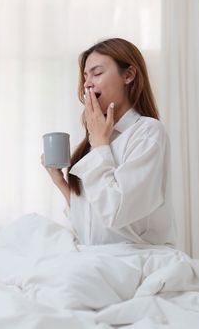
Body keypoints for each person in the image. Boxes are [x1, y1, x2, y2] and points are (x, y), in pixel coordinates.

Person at [41, 38, 176, 246]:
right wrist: (61, 183)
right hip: (98, 256)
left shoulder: (147, 132)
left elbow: (115, 211)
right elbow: (89, 226)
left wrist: (100, 146)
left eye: (97, 73)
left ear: (128, 75)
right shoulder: (98, 139)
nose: (86, 83)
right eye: (85, 76)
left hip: (134, 257)